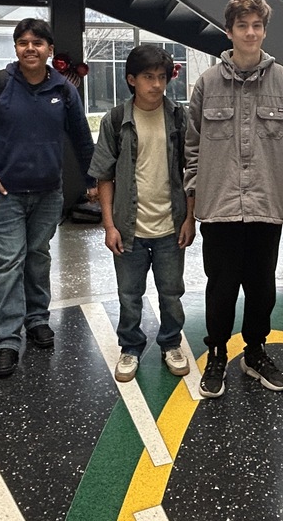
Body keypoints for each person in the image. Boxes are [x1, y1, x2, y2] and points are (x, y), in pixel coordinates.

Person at [0, 18, 95, 379]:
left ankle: (37, 319)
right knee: (8, 263)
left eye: (37, 43)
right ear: (15, 48)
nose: (30, 48)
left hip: (49, 193)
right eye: (23, 42)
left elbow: (82, 139)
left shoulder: (64, 91)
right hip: (5, 195)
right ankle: (6, 339)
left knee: (37, 257)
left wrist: (93, 179)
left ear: (50, 49)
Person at [185, 0, 283, 398]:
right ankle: (217, 353)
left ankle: (255, 352)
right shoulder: (207, 83)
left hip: (266, 207)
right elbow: (192, 145)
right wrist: (196, 188)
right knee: (220, 287)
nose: (250, 32)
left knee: (261, 286)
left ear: (264, 31)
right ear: (229, 31)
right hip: (219, 208)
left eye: (257, 25)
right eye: (242, 26)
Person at [89, 44, 195, 383]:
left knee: (171, 292)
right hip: (128, 227)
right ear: (131, 79)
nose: (157, 85)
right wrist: (108, 225)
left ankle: (171, 344)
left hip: (170, 225)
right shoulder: (116, 120)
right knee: (129, 294)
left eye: (162, 77)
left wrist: (190, 218)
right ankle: (130, 347)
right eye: (148, 77)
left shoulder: (179, 118)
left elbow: (191, 171)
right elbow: (103, 175)